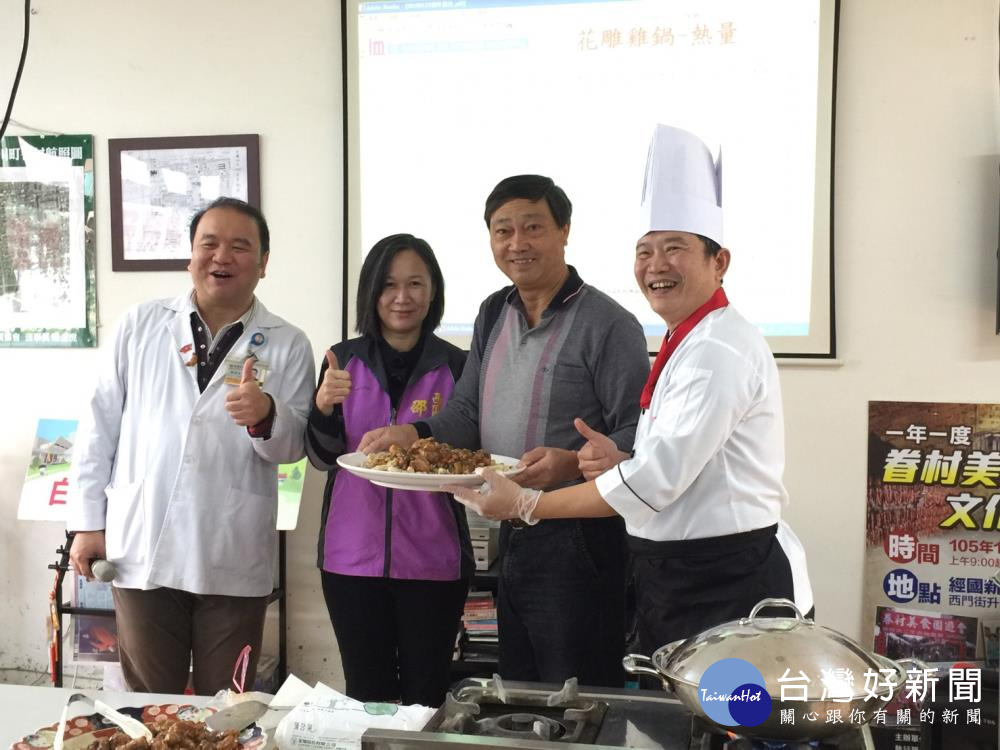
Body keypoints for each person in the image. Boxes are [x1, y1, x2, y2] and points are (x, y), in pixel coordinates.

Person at [450, 126, 814, 658]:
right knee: (672, 706)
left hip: (728, 579)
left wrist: (528, 503)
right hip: (680, 575)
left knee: (734, 710)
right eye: (645, 251)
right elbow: (670, 460)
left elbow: (653, 482)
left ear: (719, 262)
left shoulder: (717, 350)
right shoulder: (686, 338)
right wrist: (620, 457)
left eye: (675, 249)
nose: (656, 265)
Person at [358, 176, 650, 687]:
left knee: (577, 691)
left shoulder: (609, 323)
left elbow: (638, 436)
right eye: (503, 230)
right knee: (519, 689)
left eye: (533, 227)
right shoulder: (494, 311)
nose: (517, 243)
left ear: (564, 230)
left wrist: (572, 461)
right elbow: (467, 412)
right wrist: (414, 432)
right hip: (511, 529)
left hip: (579, 535)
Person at [67, 196, 315, 695]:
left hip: (230, 547)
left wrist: (266, 416)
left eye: (240, 246)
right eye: (209, 243)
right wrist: (88, 523)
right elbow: (98, 427)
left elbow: (293, 447)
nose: (222, 257)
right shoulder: (140, 325)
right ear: (191, 255)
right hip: (143, 545)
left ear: (263, 263)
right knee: (148, 703)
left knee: (226, 707)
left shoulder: (288, 343)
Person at [305, 234, 470, 706]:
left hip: (435, 557)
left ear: (433, 291)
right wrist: (323, 406)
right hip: (350, 557)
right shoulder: (342, 359)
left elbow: (469, 450)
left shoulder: (457, 365)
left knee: (427, 696)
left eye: (416, 283)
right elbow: (321, 457)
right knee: (366, 695)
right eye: (389, 285)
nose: (402, 297)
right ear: (371, 292)